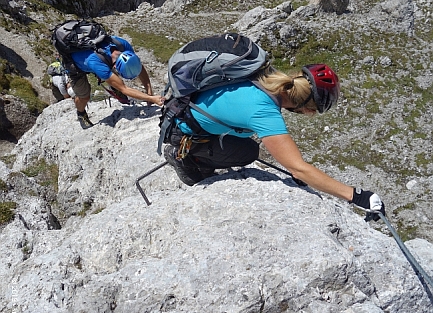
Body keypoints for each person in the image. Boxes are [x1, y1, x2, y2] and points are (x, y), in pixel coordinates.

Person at [163, 64, 385, 216]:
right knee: (247, 153)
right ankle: (184, 158)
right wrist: (357, 197)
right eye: (313, 111)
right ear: (306, 106)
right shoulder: (265, 112)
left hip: (182, 109)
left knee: (248, 144)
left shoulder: (265, 78)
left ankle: (199, 151)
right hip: (182, 130)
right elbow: (299, 169)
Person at [68, 35, 164, 129]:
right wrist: (152, 99)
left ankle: (114, 87)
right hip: (75, 66)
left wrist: (149, 91)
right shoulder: (97, 64)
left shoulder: (122, 45)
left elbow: (138, 66)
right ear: (114, 67)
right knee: (84, 96)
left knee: (113, 80)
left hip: (99, 59)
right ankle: (81, 114)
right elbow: (124, 88)